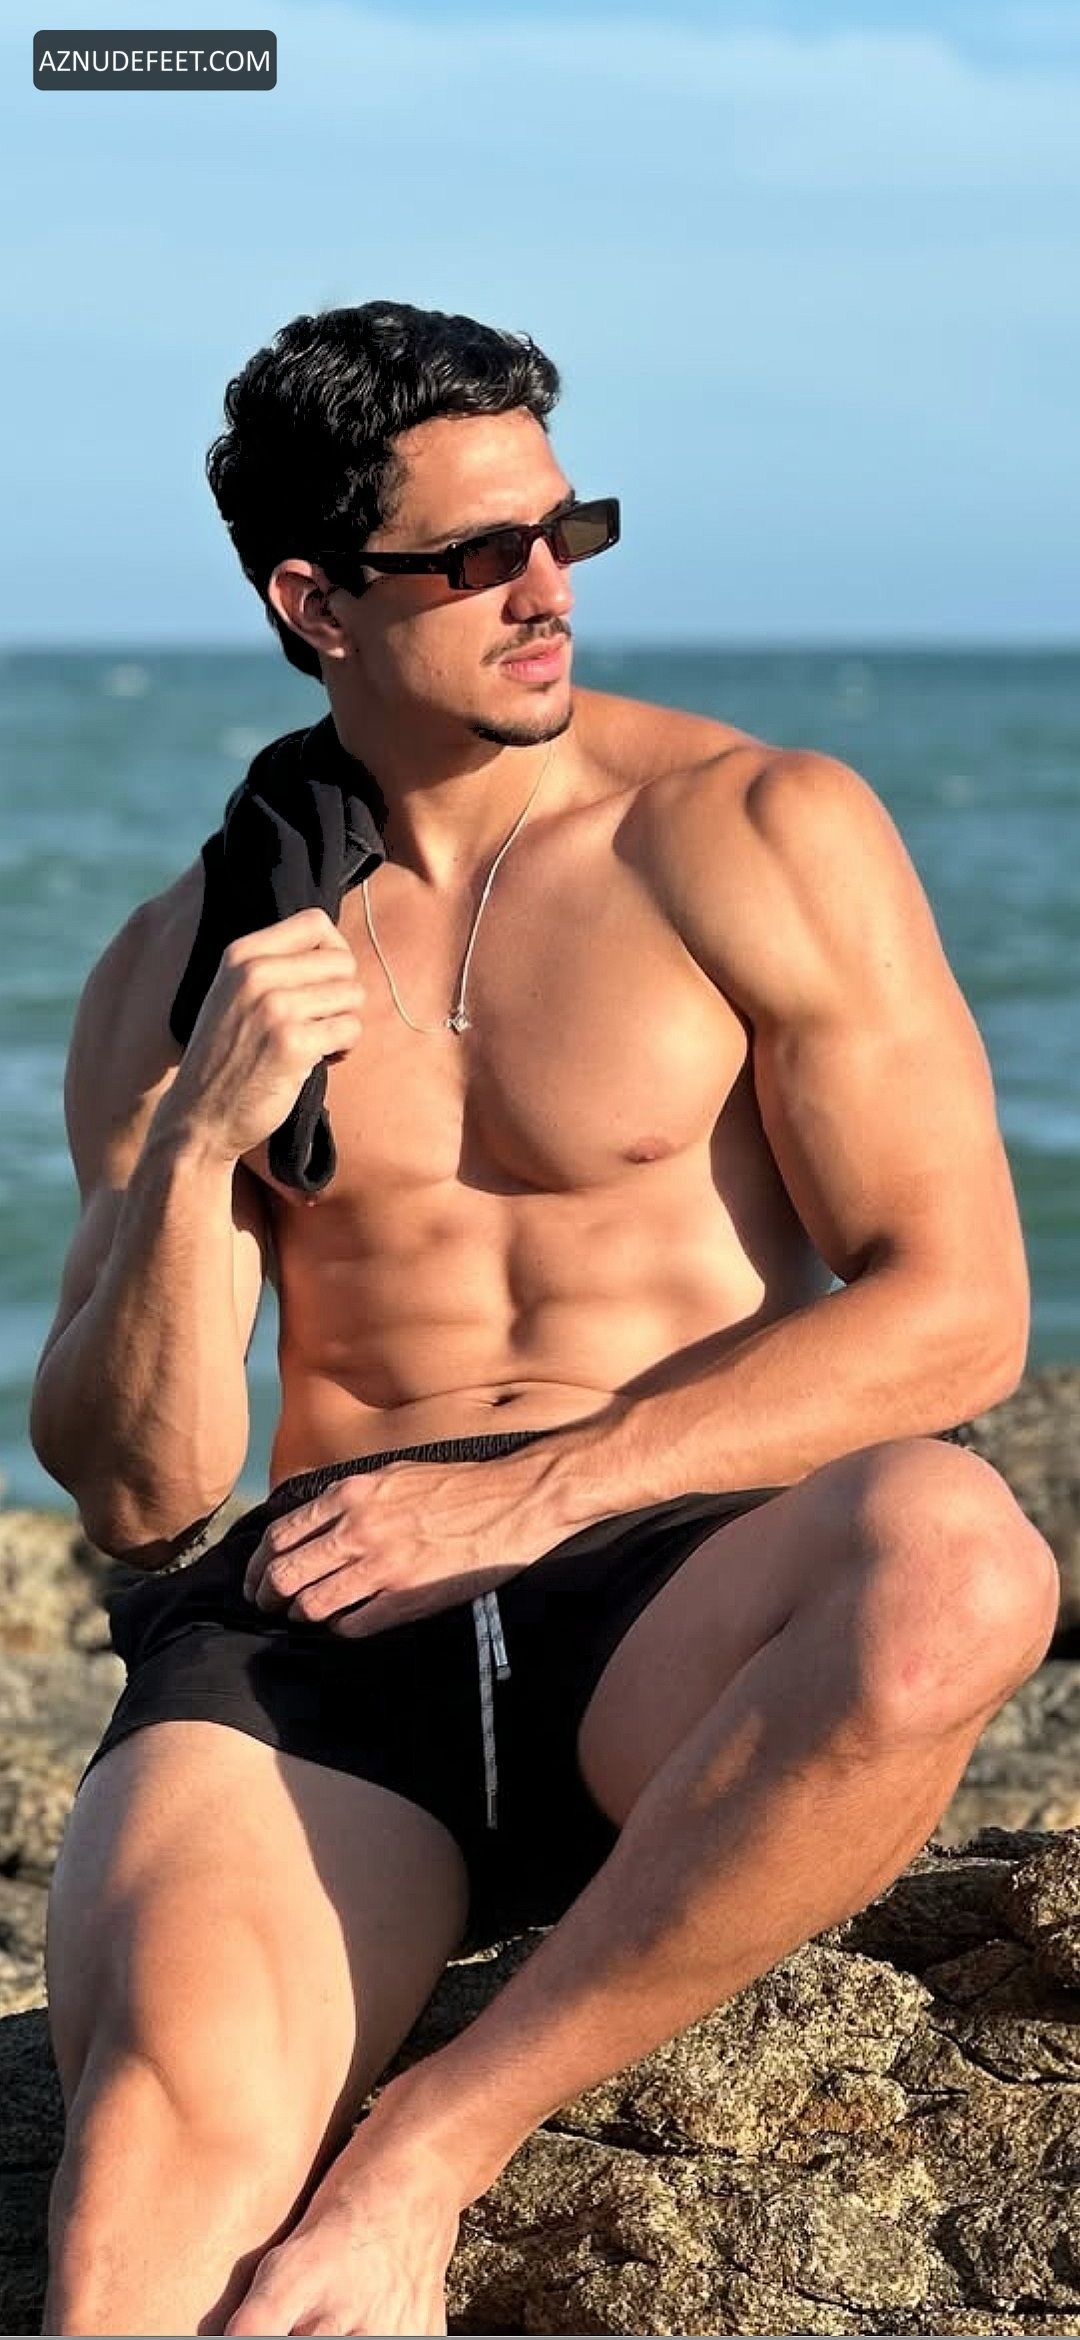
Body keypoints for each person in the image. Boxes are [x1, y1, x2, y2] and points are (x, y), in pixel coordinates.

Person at [30, 300, 1059, 2338]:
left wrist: (534, 1493)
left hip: (671, 1583)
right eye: (476, 554)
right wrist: (202, 1137)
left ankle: (431, 2147)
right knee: (150, 2181)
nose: (545, 589)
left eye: (566, 530)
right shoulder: (185, 966)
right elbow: (144, 1492)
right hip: (332, 1635)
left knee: (957, 1561)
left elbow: (960, 1315)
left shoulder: (748, 830)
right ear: (314, 602)